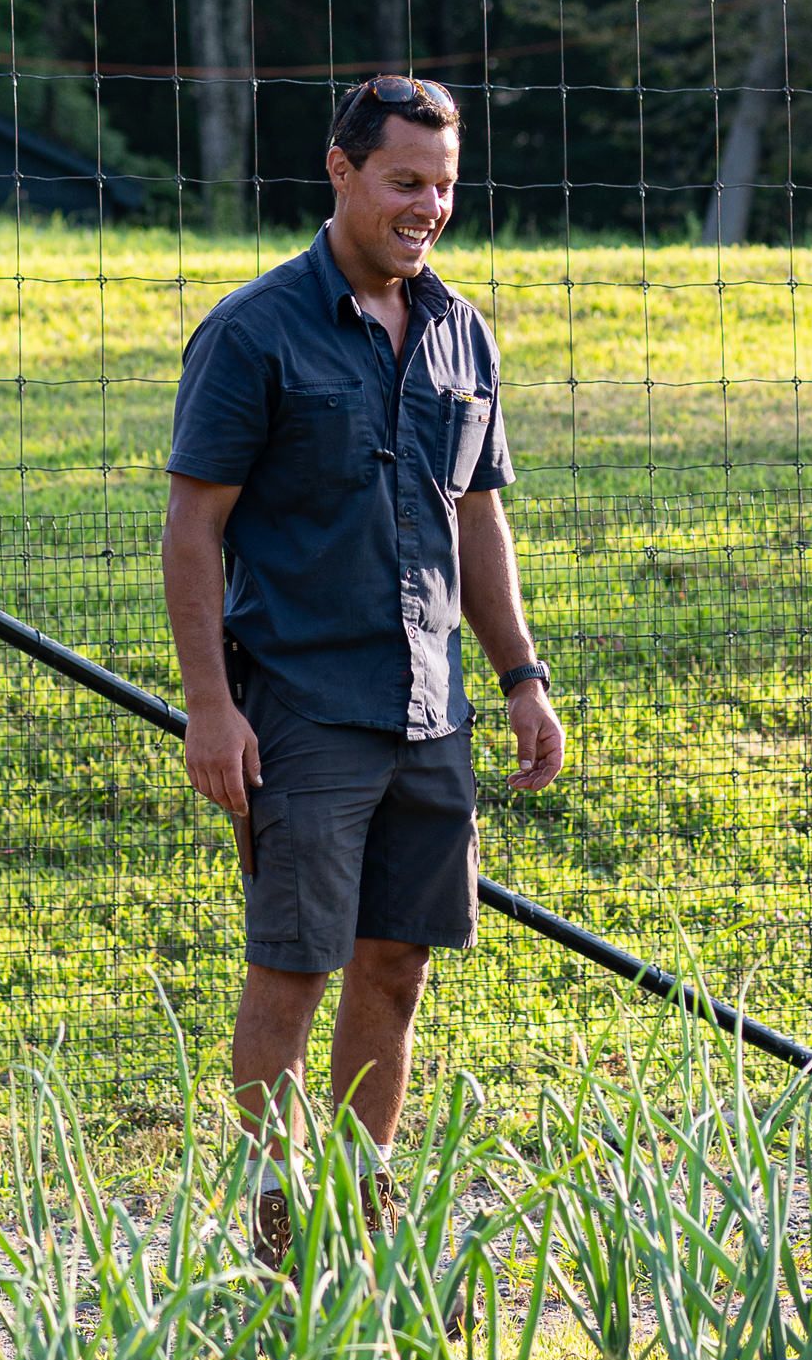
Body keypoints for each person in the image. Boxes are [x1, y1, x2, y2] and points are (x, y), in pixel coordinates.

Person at [162, 75, 563, 1270]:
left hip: (430, 704)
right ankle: (286, 1227)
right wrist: (211, 708)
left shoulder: (459, 331)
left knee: (399, 958)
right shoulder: (256, 330)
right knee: (293, 963)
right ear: (339, 171)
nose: (427, 206)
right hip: (301, 704)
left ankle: (357, 1197)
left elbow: (476, 521)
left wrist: (521, 676)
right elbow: (193, 528)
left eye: (443, 185)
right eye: (404, 182)